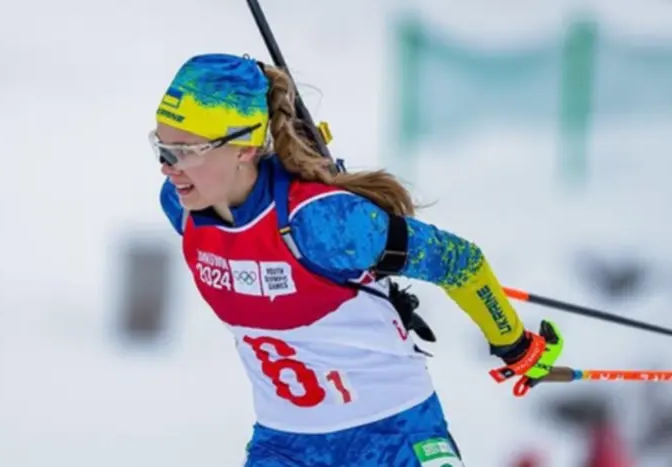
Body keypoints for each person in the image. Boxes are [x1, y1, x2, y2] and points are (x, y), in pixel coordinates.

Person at [153, 53, 564, 467]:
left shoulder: (322, 222)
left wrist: (514, 342)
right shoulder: (183, 208)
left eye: (185, 151)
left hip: (393, 434)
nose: (166, 167)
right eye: (160, 146)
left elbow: (460, 262)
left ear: (243, 147)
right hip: (286, 445)